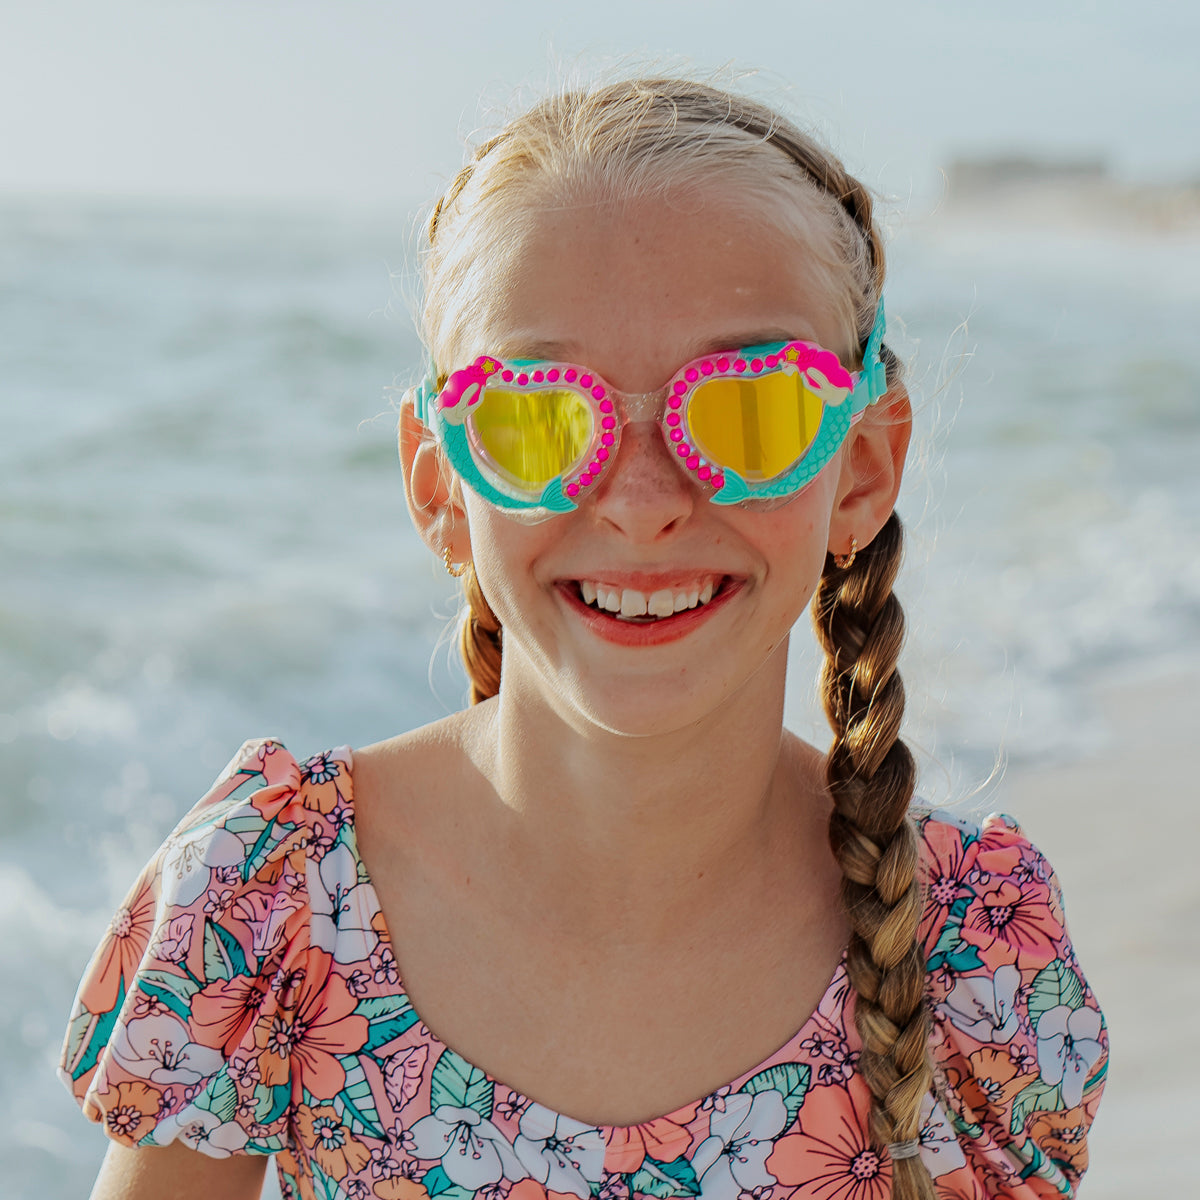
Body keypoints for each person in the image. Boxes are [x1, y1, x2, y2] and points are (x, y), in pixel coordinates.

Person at [59, 78, 1107, 1200]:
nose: (642, 501)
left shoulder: (972, 948)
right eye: (541, 416)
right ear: (442, 486)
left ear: (862, 469)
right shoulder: (275, 899)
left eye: (748, 408)